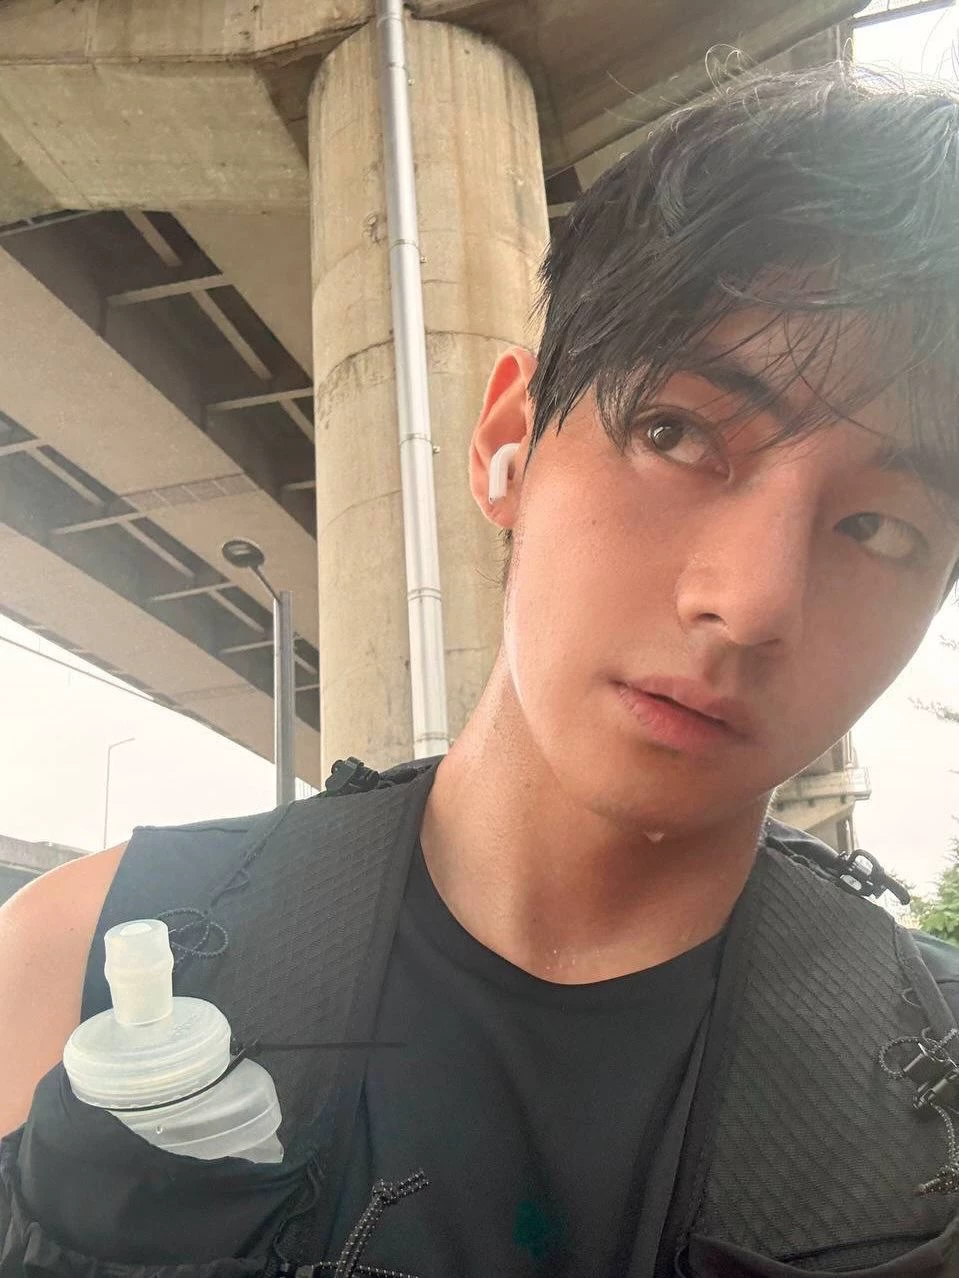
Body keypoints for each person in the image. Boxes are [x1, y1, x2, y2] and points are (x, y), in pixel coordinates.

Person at [3, 58, 959, 1278]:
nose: (750, 602)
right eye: (673, 433)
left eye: (878, 527)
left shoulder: (930, 1083)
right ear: (508, 443)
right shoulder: (71, 960)